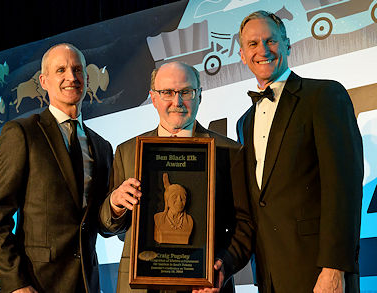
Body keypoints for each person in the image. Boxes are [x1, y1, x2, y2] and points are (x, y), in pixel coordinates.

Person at [196, 10, 363, 293]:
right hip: (270, 277)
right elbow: (252, 213)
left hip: (319, 274)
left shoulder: (323, 96)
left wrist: (334, 269)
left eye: (270, 41)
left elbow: (343, 190)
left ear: (287, 44)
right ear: (241, 54)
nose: (262, 50)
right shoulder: (244, 122)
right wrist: (223, 264)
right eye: (252, 44)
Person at [99, 61, 253, 293]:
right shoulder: (127, 151)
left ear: (199, 95)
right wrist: (115, 204)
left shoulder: (231, 152)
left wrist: (224, 265)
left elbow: (245, 224)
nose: (177, 101)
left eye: (186, 92)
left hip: (204, 285)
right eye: (167, 92)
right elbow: (107, 226)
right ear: (153, 97)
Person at [0, 43, 114, 293]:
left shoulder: (102, 147)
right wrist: (15, 283)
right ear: (43, 81)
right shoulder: (21, 133)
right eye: (60, 70)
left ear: (87, 78)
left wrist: (117, 208)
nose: (71, 77)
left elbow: (103, 224)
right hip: (35, 284)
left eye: (77, 69)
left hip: (87, 284)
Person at [153, 173, 193, 245]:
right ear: (167, 201)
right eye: (174, 197)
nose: (179, 201)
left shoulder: (189, 221)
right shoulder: (158, 218)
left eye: (182, 198)